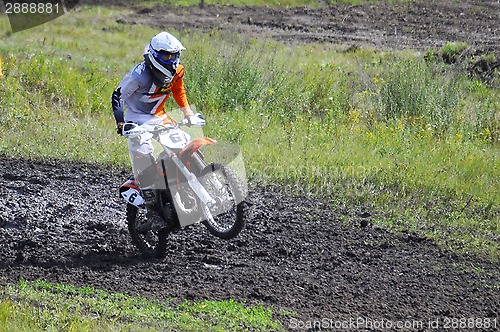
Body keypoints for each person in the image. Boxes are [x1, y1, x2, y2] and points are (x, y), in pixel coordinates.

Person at [112, 31, 205, 204]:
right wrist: (121, 123)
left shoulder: (177, 71)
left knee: (183, 143)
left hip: (158, 115)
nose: (171, 60)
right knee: (143, 151)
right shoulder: (139, 75)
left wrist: (188, 113)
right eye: (166, 56)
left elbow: (179, 91)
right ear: (155, 55)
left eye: (174, 56)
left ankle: (176, 183)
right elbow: (118, 96)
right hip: (136, 116)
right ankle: (148, 196)